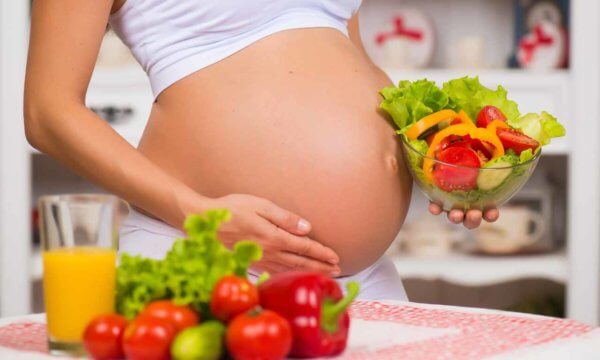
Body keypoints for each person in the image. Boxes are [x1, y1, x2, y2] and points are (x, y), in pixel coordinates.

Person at [24, 0, 498, 300]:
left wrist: (441, 164)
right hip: (208, 259)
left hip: (362, 279)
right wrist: (199, 214)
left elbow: (350, 64)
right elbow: (47, 112)